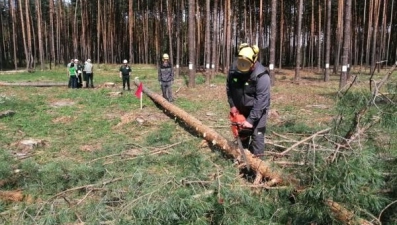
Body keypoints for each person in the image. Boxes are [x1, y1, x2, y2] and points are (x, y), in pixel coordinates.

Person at [226, 43, 271, 159]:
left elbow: (261, 100)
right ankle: (243, 159)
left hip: (258, 111)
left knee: (258, 136)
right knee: (242, 136)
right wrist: (232, 105)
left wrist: (251, 120)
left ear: (254, 61)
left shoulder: (262, 76)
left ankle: (258, 166)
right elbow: (229, 88)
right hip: (241, 109)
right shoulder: (234, 69)